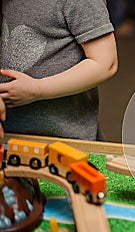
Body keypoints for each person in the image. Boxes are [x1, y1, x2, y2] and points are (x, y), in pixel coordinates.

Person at [0, 0, 118, 140]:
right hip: (8, 136)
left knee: (98, 161)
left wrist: (38, 89)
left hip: (70, 141)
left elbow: (106, 64)